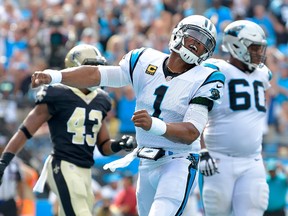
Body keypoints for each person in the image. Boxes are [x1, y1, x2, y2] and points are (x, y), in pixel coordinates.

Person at [31, 15, 225, 216]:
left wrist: (155, 125)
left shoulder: (206, 78)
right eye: (194, 36)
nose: (197, 44)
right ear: (178, 34)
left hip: (179, 161)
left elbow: (192, 131)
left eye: (204, 43)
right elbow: (97, 74)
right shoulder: (144, 60)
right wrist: (55, 76)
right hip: (146, 160)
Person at [0, 44, 135, 216]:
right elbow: (25, 131)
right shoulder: (57, 93)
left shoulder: (101, 99)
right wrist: (4, 161)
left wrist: (119, 144)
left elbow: (104, 145)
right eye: (90, 66)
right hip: (63, 164)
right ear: (74, 68)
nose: (95, 72)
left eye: (98, 66)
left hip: (85, 170)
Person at [199, 20, 271, 216]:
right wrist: (202, 149)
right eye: (254, 48)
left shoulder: (262, 74)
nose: (259, 53)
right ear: (237, 46)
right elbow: (196, 112)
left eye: (260, 48)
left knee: (254, 210)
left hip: (252, 160)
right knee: (217, 212)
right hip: (218, 160)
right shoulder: (216, 70)